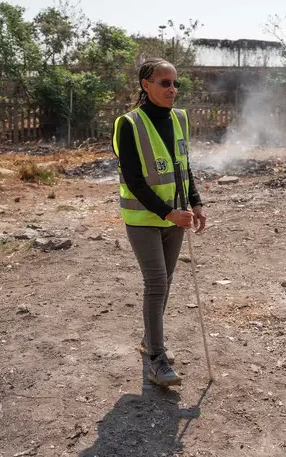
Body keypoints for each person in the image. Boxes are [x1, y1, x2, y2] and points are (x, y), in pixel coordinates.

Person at [112, 58, 207, 387]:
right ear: (145, 85)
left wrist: (196, 203)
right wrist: (168, 212)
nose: (172, 89)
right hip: (143, 218)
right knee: (155, 284)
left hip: (175, 218)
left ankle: (148, 340)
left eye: (175, 83)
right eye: (164, 83)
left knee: (164, 283)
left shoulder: (180, 119)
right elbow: (135, 181)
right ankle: (157, 359)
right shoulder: (129, 124)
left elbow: (184, 167)